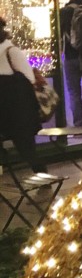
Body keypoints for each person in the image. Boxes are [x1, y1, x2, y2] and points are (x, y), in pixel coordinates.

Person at [0, 17, 47, 172]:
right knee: (25, 146)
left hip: (16, 108)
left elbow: (29, 78)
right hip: (9, 108)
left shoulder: (10, 50)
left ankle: (42, 175)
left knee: (26, 146)